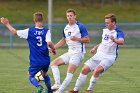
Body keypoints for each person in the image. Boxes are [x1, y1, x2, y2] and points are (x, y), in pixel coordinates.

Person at [68, 13, 125, 93]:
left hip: (109, 57)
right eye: (105, 23)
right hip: (99, 54)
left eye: (108, 23)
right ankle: (75, 90)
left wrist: (115, 40)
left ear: (114, 23)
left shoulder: (118, 32)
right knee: (84, 69)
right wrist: (95, 47)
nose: (106, 24)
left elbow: (122, 41)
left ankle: (89, 90)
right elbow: (103, 42)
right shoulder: (105, 30)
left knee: (97, 70)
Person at [0, 12, 56, 93]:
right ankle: (49, 91)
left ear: (34, 20)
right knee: (44, 74)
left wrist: (7, 24)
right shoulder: (47, 31)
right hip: (46, 60)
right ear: (43, 20)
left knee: (30, 75)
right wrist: (53, 49)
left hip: (35, 60)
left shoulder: (29, 31)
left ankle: (39, 87)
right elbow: (49, 43)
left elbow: (14, 32)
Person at [50, 9, 90, 93]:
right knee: (53, 64)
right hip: (70, 52)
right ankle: (57, 84)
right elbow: (63, 40)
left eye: (71, 15)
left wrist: (77, 39)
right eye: (68, 16)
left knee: (69, 73)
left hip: (78, 53)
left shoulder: (80, 26)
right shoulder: (66, 27)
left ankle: (59, 91)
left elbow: (87, 40)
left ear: (75, 16)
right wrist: (54, 48)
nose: (69, 17)